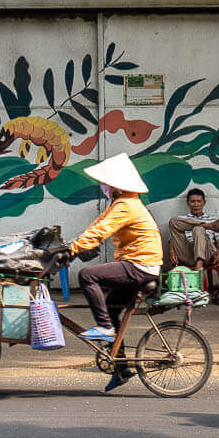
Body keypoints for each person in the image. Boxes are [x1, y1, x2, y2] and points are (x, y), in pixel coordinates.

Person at [68, 153, 162, 391]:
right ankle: (121, 369)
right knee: (111, 310)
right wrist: (72, 245)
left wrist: (73, 251)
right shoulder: (119, 204)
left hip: (140, 265)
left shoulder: (126, 205)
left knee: (88, 276)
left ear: (116, 186)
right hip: (137, 263)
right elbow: (97, 226)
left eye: (106, 184)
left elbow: (101, 231)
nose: (103, 188)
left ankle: (104, 328)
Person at [167, 188, 219, 271]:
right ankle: (206, 226)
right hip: (188, 255)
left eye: (199, 201)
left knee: (198, 229)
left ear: (204, 202)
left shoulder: (212, 219)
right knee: (173, 221)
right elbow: (173, 238)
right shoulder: (182, 219)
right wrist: (171, 252)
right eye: (193, 201)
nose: (196, 204)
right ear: (188, 203)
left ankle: (199, 264)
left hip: (207, 255)